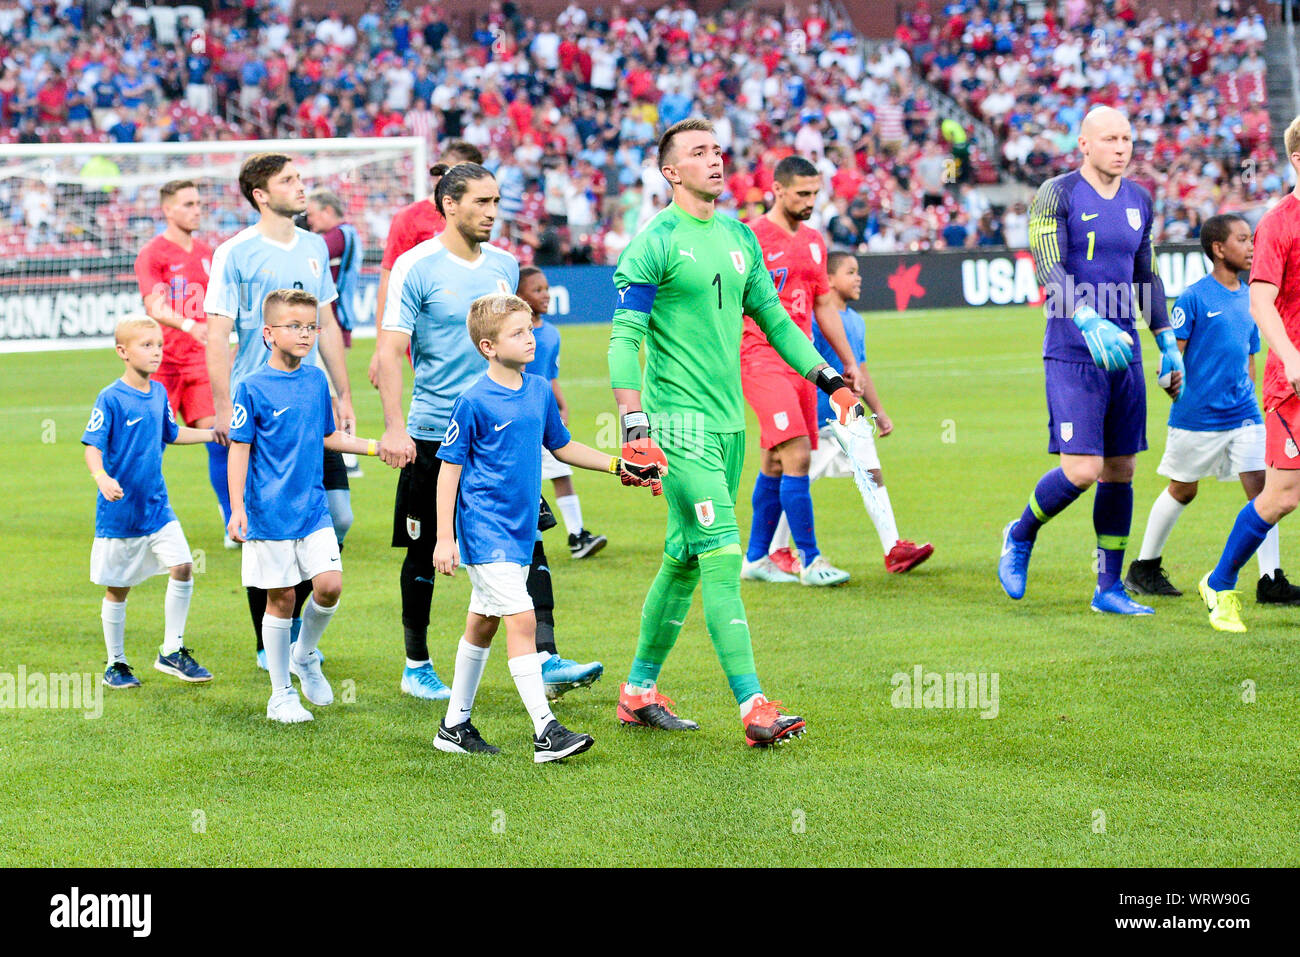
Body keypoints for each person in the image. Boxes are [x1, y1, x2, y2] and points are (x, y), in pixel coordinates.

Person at [608, 117, 867, 747]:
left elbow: (776, 321)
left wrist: (829, 379)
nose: (715, 161)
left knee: (683, 560)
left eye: (718, 151)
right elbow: (624, 339)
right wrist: (635, 425)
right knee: (722, 553)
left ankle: (637, 690)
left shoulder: (739, 238)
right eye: (699, 153)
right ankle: (754, 706)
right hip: (677, 427)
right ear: (670, 172)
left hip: (729, 427)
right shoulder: (654, 243)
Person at [376, 164, 603, 701]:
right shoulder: (416, 267)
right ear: (449, 204)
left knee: (530, 538)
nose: (492, 211)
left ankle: (545, 656)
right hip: (433, 430)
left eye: (497, 201)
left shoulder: (504, 265)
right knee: (426, 547)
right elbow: (388, 351)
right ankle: (416, 664)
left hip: (502, 433)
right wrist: (393, 427)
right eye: (481, 201)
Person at [431, 294, 657, 760]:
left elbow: (563, 446)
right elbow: (448, 471)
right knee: (523, 620)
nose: (529, 338)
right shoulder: (472, 401)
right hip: (484, 532)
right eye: (517, 333)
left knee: (483, 625)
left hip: (519, 534)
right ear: (489, 347)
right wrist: (444, 538)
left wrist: (620, 465)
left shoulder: (537, 391)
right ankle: (546, 731)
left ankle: (453, 726)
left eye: (530, 329)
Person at [997, 106, 1180, 615]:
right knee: (1082, 469)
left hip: (1124, 348)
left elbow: (1147, 276)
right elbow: (1047, 264)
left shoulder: (1140, 199)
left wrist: (1165, 340)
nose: (1121, 147)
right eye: (1109, 138)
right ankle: (1020, 532)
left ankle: (1108, 589)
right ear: (1084, 144)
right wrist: (1084, 317)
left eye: (1126, 138)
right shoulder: (1055, 193)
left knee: (1120, 470)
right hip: (1073, 349)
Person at [204, 153, 355, 668]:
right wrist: (224, 405)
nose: (301, 186)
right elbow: (218, 332)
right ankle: (273, 644)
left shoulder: (314, 246)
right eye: (288, 180)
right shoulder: (236, 252)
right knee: (267, 528)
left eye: (300, 177)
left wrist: (343, 392)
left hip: (311, 402)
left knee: (339, 515)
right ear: (261, 195)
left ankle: (297, 640)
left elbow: (329, 325)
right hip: (263, 407)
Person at [226, 290, 387, 723]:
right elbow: (239, 450)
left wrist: (375, 447)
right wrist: (237, 507)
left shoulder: (316, 381)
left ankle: (305, 654)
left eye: (310, 326)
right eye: (293, 326)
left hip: (312, 508)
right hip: (268, 512)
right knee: (281, 598)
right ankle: (280, 694)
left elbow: (328, 437)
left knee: (329, 586)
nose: (304, 333)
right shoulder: (252, 387)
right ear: (267, 333)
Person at [1128, 215, 1300, 604]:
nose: (1252, 246)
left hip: (1245, 414)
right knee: (1183, 490)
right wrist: (1167, 375)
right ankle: (1144, 566)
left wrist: (1252, 396)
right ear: (1219, 249)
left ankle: (1270, 579)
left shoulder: (1255, 297)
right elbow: (1174, 355)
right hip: (1197, 417)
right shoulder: (1194, 297)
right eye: (1242, 239)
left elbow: (1250, 356)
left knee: (1265, 492)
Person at [737, 155, 863, 587]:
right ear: (778, 190)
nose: (811, 201)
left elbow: (824, 304)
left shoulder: (814, 241)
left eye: (815, 193)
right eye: (802, 193)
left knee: (775, 461)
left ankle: (755, 559)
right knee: (797, 455)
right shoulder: (749, 238)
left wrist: (846, 361)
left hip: (804, 363)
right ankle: (810, 559)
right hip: (759, 356)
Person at [766, 252, 934, 572]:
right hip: (819, 413)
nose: (858, 278)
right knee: (801, 477)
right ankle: (775, 548)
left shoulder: (856, 321)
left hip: (851, 413)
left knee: (871, 472)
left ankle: (893, 549)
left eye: (858, 272)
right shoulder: (815, 319)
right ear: (828, 280)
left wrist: (879, 411)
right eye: (850, 272)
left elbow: (860, 370)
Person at [1198, 117, 1300, 632]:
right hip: (1293, 385)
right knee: (1282, 495)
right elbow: (1260, 301)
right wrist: (1290, 356)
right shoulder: (1279, 223)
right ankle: (1219, 584)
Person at [82, 316, 216, 689]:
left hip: (157, 508)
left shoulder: (159, 393)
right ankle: (116, 663)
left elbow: (171, 433)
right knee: (118, 588)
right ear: (122, 352)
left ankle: (171, 650)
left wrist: (213, 433)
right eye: (146, 345)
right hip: (120, 514)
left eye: (158, 345)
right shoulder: (110, 397)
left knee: (184, 566)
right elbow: (92, 445)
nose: (156, 351)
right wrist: (102, 478)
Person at [133, 180, 228, 545]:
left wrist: (224, 344)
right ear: (168, 209)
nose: (197, 210)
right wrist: (190, 325)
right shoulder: (153, 253)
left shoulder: (208, 253)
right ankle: (139, 518)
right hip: (162, 363)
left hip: (202, 363)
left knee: (221, 436)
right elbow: (154, 304)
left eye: (199, 203)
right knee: (148, 443)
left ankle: (231, 520)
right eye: (188, 204)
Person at [367, 140, 484, 389]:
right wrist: (381, 348)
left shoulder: (477, 218)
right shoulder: (410, 218)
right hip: (428, 331)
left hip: (471, 328)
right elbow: (388, 282)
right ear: (440, 174)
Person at [517, 265, 608, 558]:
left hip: (545, 415)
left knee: (562, 471)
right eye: (537, 290)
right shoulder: (516, 334)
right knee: (521, 479)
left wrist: (562, 405)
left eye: (546, 289)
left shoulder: (552, 334)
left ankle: (577, 535)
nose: (545, 295)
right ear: (519, 295)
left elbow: (549, 375)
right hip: (522, 417)